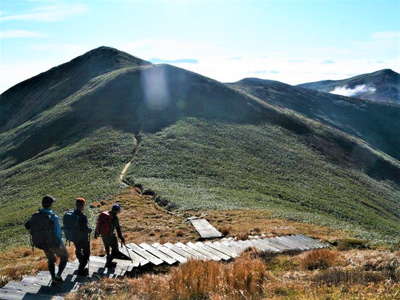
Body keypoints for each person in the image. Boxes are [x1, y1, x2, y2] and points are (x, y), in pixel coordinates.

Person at [25, 195, 68, 284]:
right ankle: (58, 276)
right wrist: (59, 242)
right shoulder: (53, 217)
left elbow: (27, 225)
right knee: (64, 257)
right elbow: (57, 233)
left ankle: (53, 277)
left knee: (51, 259)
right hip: (54, 242)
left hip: (43, 243)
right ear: (50, 204)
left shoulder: (36, 215)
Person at [68, 197, 92, 276]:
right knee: (86, 254)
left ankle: (81, 265)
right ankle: (81, 269)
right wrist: (89, 230)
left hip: (74, 237)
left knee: (78, 250)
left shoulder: (72, 214)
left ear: (76, 205)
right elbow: (84, 228)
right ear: (82, 205)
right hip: (83, 238)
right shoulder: (83, 216)